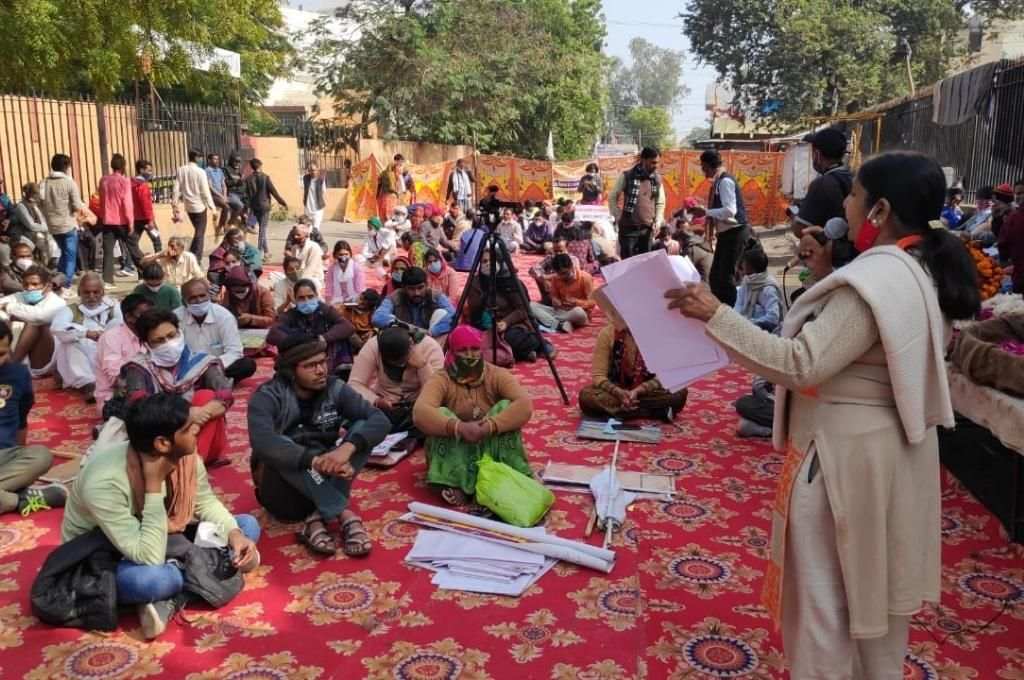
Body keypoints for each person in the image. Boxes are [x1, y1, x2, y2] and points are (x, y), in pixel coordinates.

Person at [665, 151, 981, 679]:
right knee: (872, 608)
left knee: (822, 608)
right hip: (886, 453)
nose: (846, 206)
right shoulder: (916, 266)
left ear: (878, 209)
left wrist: (715, 314)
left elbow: (801, 362)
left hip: (842, 458)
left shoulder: (876, 279)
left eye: (854, 195)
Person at [61, 392, 260, 639]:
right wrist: (153, 485)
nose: (197, 430)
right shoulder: (103, 482)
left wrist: (235, 535)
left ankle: (168, 596)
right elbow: (149, 556)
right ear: (162, 444)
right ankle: (179, 585)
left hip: (164, 535)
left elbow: (205, 502)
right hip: (102, 555)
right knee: (156, 580)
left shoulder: (184, 455)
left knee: (247, 526)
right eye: (189, 428)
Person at [247, 334, 390, 556]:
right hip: (285, 493)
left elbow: (379, 420)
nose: (322, 370)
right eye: (311, 365)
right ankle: (342, 513)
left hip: (328, 476)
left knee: (363, 427)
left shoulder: (335, 388)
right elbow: (262, 441)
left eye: (323, 361)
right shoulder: (268, 395)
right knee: (281, 444)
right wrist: (314, 462)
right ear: (290, 370)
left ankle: (315, 517)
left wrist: (347, 448)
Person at [413, 325, 533, 507]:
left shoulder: (496, 374)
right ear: (452, 352)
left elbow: (524, 404)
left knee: (506, 406)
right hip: (457, 445)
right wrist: (458, 427)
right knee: (440, 413)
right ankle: (454, 482)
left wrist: (490, 426)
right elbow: (420, 412)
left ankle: (505, 474)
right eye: (462, 350)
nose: (470, 355)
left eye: (475, 349)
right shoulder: (441, 378)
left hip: (487, 440)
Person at [115, 309, 234, 465]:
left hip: (200, 428)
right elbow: (140, 410)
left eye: (172, 336)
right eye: (159, 340)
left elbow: (225, 396)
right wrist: (186, 416)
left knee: (206, 396)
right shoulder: (138, 368)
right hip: (159, 434)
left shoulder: (203, 361)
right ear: (146, 344)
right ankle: (187, 466)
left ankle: (192, 464)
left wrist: (199, 415)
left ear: (180, 333)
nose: (168, 343)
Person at [0, 318, 63, 516]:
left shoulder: (17, 374)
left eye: (1, 354)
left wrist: (19, 453)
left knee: (41, 455)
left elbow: (21, 419)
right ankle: (19, 499)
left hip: (5, 457)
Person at [579, 323, 688, 420]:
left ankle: (620, 412)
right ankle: (653, 412)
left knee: (680, 392)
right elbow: (598, 375)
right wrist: (618, 392)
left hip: (648, 392)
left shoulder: (659, 335)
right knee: (586, 397)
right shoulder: (608, 333)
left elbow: (664, 375)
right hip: (615, 392)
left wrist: (638, 391)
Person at [349, 325, 444, 436]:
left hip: (418, 407)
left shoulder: (431, 347)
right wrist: (376, 400)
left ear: (411, 346)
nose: (400, 366)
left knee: (436, 419)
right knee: (353, 414)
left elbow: (436, 393)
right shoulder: (373, 346)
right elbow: (354, 384)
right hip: (383, 406)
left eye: (402, 361)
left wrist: (422, 365)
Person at [465, 248, 554, 363]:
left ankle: (535, 344)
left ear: (501, 262)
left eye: (492, 261)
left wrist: (506, 322)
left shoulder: (512, 282)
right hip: (485, 326)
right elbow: (474, 310)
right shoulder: (476, 282)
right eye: (484, 262)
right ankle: (522, 353)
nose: (487, 265)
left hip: (512, 326)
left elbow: (523, 310)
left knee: (511, 337)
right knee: (468, 343)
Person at [50, 273, 122, 403]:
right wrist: (86, 333)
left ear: (103, 292)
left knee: (116, 325)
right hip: (83, 357)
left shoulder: (113, 307)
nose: (91, 296)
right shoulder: (70, 309)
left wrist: (106, 335)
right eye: (87, 292)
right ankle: (88, 385)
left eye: (96, 292)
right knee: (69, 342)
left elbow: (123, 325)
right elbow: (57, 327)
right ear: (79, 292)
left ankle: (115, 379)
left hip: (108, 354)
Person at [176, 278, 256, 382]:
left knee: (247, 365)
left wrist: (210, 365)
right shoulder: (176, 318)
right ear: (184, 301)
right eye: (193, 298)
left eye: (202, 296)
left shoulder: (224, 316)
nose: (199, 301)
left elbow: (234, 351)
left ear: (209, 296)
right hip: (188, 367)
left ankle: (207, 381)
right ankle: (214, 382)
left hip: (217, 364)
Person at [268, 279, 355, 373]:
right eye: (301, 298)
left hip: (324, 351)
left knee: (341, 336)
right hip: (301, 354)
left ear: (317, 296)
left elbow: (347, 326)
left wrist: (323, 337)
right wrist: (302, 340)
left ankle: (340, 372)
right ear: (295, 300)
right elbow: (273, 334)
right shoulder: (291, 314)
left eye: (310, 297)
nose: (306, 301)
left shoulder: (324, 309)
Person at [701, 149, 750, 306]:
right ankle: (719, 309)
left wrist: (706, 212)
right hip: (727, 234)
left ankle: (731, 313)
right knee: (716, 277)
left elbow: (730, 210)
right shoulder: (718, 182)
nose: (703, 171)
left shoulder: (725, 182)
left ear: (709, 165)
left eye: (703, 167)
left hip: (734, 233)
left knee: (726, 277)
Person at [0, 266, 66, 376]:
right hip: (20, 355)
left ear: (48, 286)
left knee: (34, 325)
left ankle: (11, 366)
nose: (29, 288)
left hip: (45, 358)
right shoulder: (19, 296)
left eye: (35, 284)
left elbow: (39, 317)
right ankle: (10, 364)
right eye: (26, 284)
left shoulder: (57, 302)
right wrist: (6, 319)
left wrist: (9, 308)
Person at [95, 294, 153, 416]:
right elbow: (117, 379)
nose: (151, 318)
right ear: (129, 317)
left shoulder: (151, 334)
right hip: (117, 398)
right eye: (145, 315)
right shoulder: (112, 337)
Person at [39, 154, 85, 293]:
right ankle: (66, 285)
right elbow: (77, 205)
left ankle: (56, 282)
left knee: (63, 254)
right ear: (66, 167)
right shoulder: (69, 182)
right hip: (67, 224)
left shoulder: (44, 182)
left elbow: (40, 202)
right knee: (70, 257)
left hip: (52, 225)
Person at [793, 128, 853, 236]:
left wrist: (795, 215)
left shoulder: (821, 184)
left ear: (817, 154)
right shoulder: (854, 177)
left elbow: (800, 230)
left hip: (831, 250)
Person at [608, 147, 665, 259]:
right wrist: (617, 215)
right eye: (653, 162)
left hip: (647, 230)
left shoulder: (657, 179)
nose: (656, 166)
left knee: (645, 264)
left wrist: (658, 221)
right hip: (628, 230)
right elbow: (612, 196)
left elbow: (660, 202)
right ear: (643, 160)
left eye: (657, 163)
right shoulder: (627, 176)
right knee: (629, 264)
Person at [373, 266, 455, 339]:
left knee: (442, 314)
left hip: (430, 339)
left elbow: (453, 315)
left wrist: (432, 332)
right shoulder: (396, 297)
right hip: (403, 340)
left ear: (426, 285)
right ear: (404, 288)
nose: (417, 293)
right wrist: (409, 328)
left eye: (420, 288)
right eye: (411, 289)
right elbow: (378, 317)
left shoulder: (435, 296)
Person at [532, 253, 593, 333]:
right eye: (559, 274)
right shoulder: (556, 278)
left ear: (571, 266)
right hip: (562, 310)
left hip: (578, 313)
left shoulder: (585, 277)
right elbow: (554, 296)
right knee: (531, 305)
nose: (562, 277)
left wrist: (577, 302)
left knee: (578, 312)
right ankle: (561, 324)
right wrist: (555, 300)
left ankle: (554, 322)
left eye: (565, 273)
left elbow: (592, 302)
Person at [172, 149, 216, 259]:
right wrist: (213, 208)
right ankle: (196, 258)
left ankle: (191, 254)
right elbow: (206, 192)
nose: (201, 159)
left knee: (198, 231)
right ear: (196, 158)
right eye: (200, 157)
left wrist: (174, 204)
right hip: (200, 207)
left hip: (189, 207)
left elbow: (176, 189)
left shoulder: (181, 170)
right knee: (200, 234)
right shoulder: (201, 172)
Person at [734, 241, 783, 333]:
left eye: (744, 264)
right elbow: (739, 304)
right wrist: (737, 320)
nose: (742, 266)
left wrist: (750, 323)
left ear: (752, 268)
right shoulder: (747, 281)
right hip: (744, 326)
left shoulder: (768, 289)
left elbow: (773, 318)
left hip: (763, 332)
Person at [244, 158, 288, 256]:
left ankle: (267, 252)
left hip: (254, 206)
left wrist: (247, 209)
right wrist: (283, 202)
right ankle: (259, 251)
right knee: (262, 230)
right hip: (264, 206)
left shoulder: (248, 179)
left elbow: (246, 195)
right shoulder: (265, 177)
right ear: (260, 166)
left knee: (262, 229)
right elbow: (274, 192)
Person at [528, 236, 580, 306]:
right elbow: (533, 269)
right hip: (550, 291)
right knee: (538, 276)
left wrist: (547, 277)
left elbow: (572, 274)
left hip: (567, 294)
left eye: (561, 251)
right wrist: (543, 280)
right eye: (556, 251)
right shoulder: (551, 257)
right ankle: (548, 300)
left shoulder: (573, 259)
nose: (558, 254)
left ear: (567, 248)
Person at [220, 265, 276, 330]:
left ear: (249, 286)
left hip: (260, 331)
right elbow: (223, 315)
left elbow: (271, 319)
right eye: (236, 291)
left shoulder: (263, 293)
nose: (239, 294)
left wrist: (251, 319)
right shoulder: (228, 294)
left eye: (242, 291)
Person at [12, 182, 51, 269]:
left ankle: (48, 267)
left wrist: (47, 229)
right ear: (31, 194)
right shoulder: (21, 206)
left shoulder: (35, 205)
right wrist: (47, 228)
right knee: (45, 243)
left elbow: (42, 221)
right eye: (36, 193)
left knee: (52, 242)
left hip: (36, 234)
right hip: (24, 235)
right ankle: (41, 268)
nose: (39, 196)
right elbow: (31, 225)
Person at [140, 236, 204, 287]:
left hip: (184, 289)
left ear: (181, 248)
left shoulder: (189, 257)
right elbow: (143, 263)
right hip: (167, 290)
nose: (170, 249)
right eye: (169, 246)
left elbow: (199, 276)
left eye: (173, 246)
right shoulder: (163, 255)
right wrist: (158, 256)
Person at [130, 160, 163, 259]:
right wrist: (150, 220)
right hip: (145, 218)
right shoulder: (142, 185)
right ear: (141, 170)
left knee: (132, 242)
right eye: (148, 171)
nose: (150, 173)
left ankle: (129, 263)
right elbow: (146, 204)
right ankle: (160, 260)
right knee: (156, 240)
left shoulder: (130, 183)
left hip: (135, 217)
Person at [998, 177, 1024, 293]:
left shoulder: (1014, 217)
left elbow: (1003, 244)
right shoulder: (1012, 216)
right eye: (1016, 193)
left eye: (1021, 193)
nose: (1017, 196)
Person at [286, 223, 325, 295]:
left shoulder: (314, 247)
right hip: (299, 277)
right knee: (279, 281)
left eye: (298, 235)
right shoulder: (294, 248)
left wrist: (298, 283)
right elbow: (294, 268)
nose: (295, 237)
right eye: (294, 235)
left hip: (313, 278)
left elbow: (310, 269)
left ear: (306, 235)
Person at [204, 153, 228, 238]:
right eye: (214, 159)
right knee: (226, 207)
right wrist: (221, 196)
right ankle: (221, 227)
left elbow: (223, 184)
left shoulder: (220, 170)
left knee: (237, 205)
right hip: (213, 196)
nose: (217, 161)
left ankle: (227, 224)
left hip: (221, 195)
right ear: (209, 160)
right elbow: (210, 187)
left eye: (217, 159)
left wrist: (224, 195)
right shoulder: (207, 171)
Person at [302, 162, 328, 240]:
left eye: (314, 170)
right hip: (308, 208)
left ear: (317, 170)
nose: (312, 172)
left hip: (318, 208)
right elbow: (305, 190)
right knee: (308, 228)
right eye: (310, 170)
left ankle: (316, 244)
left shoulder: (321, 179)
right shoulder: (305, 178)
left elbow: (323, 191)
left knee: (315, 229)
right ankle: (309, 243)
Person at [222, 153, 248, 230]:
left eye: (239, 162)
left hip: (241, 193)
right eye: (235, 161)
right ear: (231, 161)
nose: (237, 163)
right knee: (239, 205)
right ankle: (230, 224)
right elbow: (225, 182)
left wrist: (242, 182)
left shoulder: (238, 171)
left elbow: (241, 183)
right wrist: (237, 182)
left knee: (253, 203)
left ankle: (246, 222)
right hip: (231, 193)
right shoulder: (226, 170)